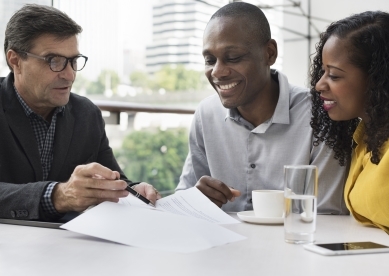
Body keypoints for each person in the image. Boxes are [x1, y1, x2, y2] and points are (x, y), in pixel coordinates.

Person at [176, 2, 349, 215]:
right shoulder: (206, 115)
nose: (217, 72)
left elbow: (326, 216)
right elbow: (184, 201)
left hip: (295, 246)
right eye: (210, 60)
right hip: (225, 246)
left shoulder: (321, 113)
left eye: (233, 58)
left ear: (270, 53)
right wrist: (195, 200)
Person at [0, 4, 160, 222]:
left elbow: (112, 178)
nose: (69, 74)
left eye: (73, 61)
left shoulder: (87, 114)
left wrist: (132, 190)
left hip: (72, 249)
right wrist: (57, 196)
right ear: (15, 60)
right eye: (53, 61)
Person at [311, 11, 389, 233]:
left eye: (334, 75)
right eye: (322, 72)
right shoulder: (364, 136)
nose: (319, 85)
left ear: (377, 78)